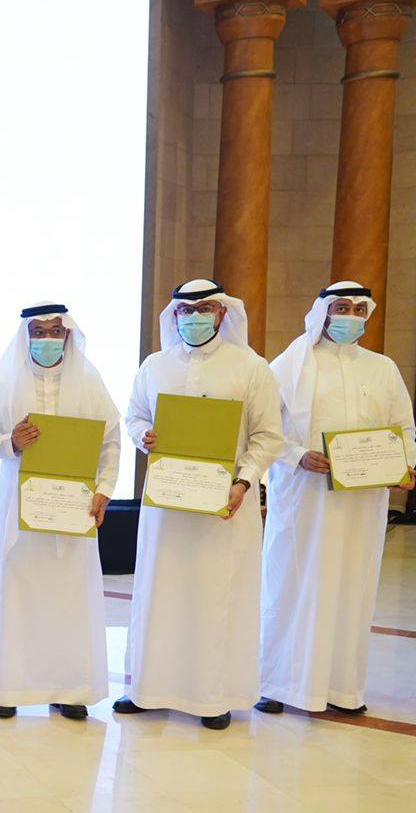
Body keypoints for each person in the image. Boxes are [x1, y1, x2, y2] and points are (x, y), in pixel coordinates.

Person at [117, 280, 283, 730]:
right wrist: (143, 435)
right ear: (174, 315)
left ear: (223, 313)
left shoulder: (251, 368)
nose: (194, 317)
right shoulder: (155, 366)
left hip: (224, 505)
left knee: (215, 594)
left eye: (205, 308)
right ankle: (149, 690)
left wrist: (244, 481)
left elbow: (268, 436)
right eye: (186, 310)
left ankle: (214, 696)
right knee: (161, 590)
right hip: (167, 506)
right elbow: (134, 415)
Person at [257, 282, 416, 716]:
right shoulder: (290, 363)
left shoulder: (382, 368)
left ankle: (342, 688)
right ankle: (278, 683)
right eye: (341, 307)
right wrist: (297, 455)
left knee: (351, 585)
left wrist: (404, 464)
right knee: (294, 583)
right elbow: (265, 428)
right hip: (305, 497)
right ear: (323, 312)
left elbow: (403, 426)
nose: (350, 316)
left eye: (358, 309)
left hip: (362, 501)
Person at [0, 304, 121, 720]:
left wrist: (105, 491)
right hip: (18, 505)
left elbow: (111, 442)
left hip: (74, 507)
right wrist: (11, 442)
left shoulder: (89, 381)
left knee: (68, 596)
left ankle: (69, 689)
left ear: (68, 335)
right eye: (38, 332)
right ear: (26, 336)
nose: (47, 339)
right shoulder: (3, 380)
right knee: (16, 595)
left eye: (55, 331)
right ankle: (8, 688)